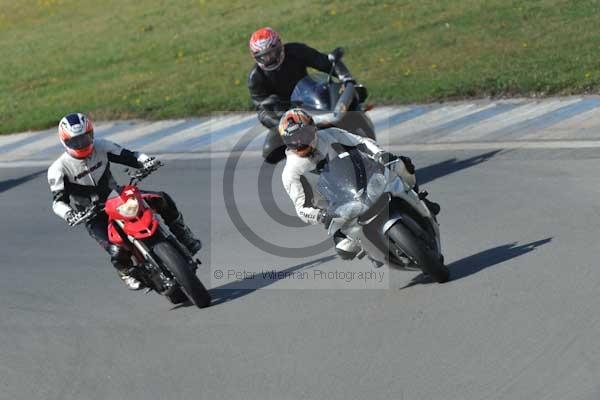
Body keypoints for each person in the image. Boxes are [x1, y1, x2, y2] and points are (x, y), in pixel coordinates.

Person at [47, 113, 202, 290]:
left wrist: (146, 161)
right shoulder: (58, 169)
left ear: (92, 133)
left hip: (118, 197)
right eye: (75, 142)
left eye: (85, 138)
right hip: (92, 214)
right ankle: (126, 271)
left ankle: (183, 234)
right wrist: (70, 214)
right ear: (65, 141)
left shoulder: (102, 146)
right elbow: (57, 202)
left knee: (160, 198)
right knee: (116, 250)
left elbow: (129, 155)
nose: (82, 144)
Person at [279, 109, 440, 259]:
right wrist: (321, 215)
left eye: (303, 135)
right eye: (293, 139)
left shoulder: (330, 134)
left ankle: (421, 200)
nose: (299, 142)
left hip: (365, 178)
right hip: (336, 209)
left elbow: (361, 142)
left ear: (313, 128)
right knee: (345, 250)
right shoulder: (291, 172)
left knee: (401, 164)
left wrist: (381, 154)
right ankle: (376, 252)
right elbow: (301, 209)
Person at [248, 27, 354, 164]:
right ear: (256, 57)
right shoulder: (255, 77)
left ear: (279, 47)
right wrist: (282, 123)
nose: (268, 59)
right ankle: (306, 170)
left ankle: (354, 141)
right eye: (263, 56)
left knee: (343, 110)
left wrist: (346, 79)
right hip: (287, 117)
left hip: (311, 99)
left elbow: (324, 62)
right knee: (270, 151)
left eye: (271, 53)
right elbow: (262, 111)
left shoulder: (296, 51)